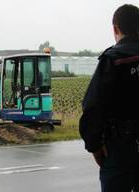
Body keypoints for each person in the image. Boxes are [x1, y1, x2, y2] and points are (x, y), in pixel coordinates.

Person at [79, 4, 139, 192]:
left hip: (121, 147)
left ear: (115, 28)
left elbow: (93, 106)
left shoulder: (113, 60)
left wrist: (94, 146)